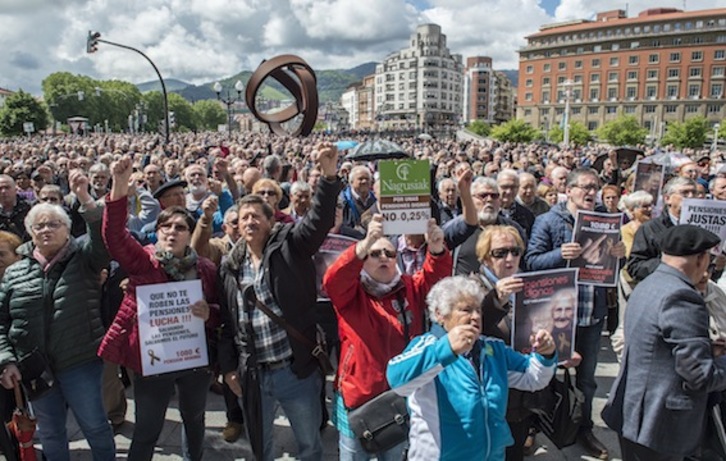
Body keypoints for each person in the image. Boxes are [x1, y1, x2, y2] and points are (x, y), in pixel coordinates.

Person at [218, 143, 342, 461]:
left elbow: (317, 223)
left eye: (256, 216)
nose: (249, 222)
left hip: (294, 371)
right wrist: (230, 368)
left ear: (270, 221)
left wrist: (329, 178)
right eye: (243, 217)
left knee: (309, 445)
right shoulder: (231, 266)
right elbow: (227, 323)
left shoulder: (289, 246)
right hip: (254, 373)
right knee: (261, 447)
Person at [98, 156, 220, 461]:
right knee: (147, 431)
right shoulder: (144, 261)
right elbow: (114, 237)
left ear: (188, 235)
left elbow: (221, 312)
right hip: (152, 362)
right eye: (166, 226)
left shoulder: (205, 268)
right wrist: (119, 186)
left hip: (193, 362)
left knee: (194, 422)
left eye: (180, 227)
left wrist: (210, 312)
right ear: (158, 231)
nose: (172, 232)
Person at [0, 170, 115, 461]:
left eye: (53, 224)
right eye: (38, 226)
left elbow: (102, 239)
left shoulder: (86, 259)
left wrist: (85, 197)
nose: (46, 230)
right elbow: (2, 322)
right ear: (30, 232)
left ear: (67, 229)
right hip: (35, 369)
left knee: (96, 428)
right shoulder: (15, 272)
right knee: (51, 433)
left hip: (80, 364)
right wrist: (7, 361)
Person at [323, 214, 452, 461]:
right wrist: (365, 242)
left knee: (393, 455)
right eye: (375, 253)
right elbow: (333, 280)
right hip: (359, 397)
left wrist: (436, 249)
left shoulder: (408, 288)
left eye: (390, 254)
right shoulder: (351, 294)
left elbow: (436, 282)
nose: (384, 257)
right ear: (362, 260)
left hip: (399, 394)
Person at [386, 276, 557, 461]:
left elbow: (533, 378)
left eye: (478, 310)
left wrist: (546, 354)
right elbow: (397, 381)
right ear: (440, 314)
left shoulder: (494, 348)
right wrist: (447, 349)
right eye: (466, 310)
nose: (475, 316)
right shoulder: (428, 346)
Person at [525, 167, 626, 459]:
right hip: (555, 314)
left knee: (586, 379)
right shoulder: (548, 221)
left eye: (595, 187)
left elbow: (611, 271)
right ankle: (534, 426)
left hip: (591, 314)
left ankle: (583, 428)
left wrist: (618, 256)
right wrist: (560, 255)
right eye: (585, 187)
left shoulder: (606, 222)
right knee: (542, 372)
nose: (591, 192)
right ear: (569, 190)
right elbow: (531, 262)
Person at [602, 225, 726, 460]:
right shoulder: (682, 297)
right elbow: (700, 375)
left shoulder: (649, 284)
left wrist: (708, 349)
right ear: (700, 259)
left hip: (636, 414)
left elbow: (658, 346)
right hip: (661, 424)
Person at [626, 177, 697, 283]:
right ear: (667, 199)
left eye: (694, 193)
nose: (691, 197)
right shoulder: (649, 229)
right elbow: (635, 267)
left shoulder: (700, 228)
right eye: (684, 193)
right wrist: (668, 264)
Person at [619, 191, 654, 258]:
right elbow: (629, 253)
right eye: (645, 206)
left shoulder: (655, 227)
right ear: (632, 210)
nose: (650, 209)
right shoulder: (626, 230)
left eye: (650, 205)